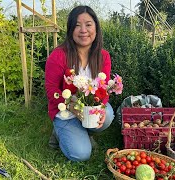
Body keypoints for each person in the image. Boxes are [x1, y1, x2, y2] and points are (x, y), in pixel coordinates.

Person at [44, 5, 114, 162]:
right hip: (66, 112)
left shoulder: (103, 57)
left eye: (88, 24)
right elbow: (52, 91)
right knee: (80, 155)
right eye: (77, 25)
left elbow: (103, 90)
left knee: (108, 115)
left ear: (96, 27)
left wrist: (100, 109)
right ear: (70, 30)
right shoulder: (58, 56)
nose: (83, 30)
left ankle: (85, 132)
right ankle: (59, 133)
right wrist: (72, 107)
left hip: (88, 110)